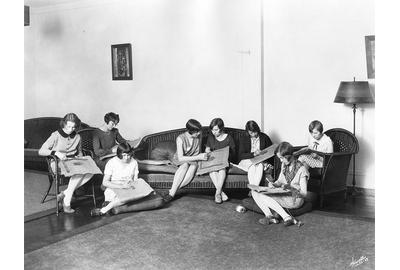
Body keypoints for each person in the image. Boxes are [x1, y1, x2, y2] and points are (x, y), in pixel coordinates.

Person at [39, 113, 94, 214]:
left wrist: (81, 157)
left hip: (72, 162)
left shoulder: (77, 136)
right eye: (68, 126)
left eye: (73, 127)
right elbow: (41, 151)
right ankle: (67, 203)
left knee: (90, 172)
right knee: (78, 173)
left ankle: (64, 194)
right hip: (57, 162)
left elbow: (80, 151)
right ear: (64, 124)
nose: (71, 129)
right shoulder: (55, 135)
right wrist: (56, 152)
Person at [90, 142, 165, 216]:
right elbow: (105, 182)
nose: (126, 158)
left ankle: (106, 209)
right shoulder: (112, 162)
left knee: (141, 185)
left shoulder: (134, 162)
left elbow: (136, 180)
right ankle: (106, 208)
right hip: (115, 186)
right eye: (124, 155)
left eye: (128, 155)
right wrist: (122, 186)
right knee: (119, 197)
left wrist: (138, 187)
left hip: (129, 186)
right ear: (119, 154)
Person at [251, 142, 309, 226]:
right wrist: (273, 184)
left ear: (288, 156)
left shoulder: (302, 169)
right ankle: (270, 216)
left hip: (294, 199)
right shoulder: (284, 165)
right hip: (283, 193)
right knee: (254, 192)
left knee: (262, 196)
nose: (281, 161)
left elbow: (304, 193)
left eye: (282, 158)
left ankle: (285, 217)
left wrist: (289, 187)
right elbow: (279, 181)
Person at [163, 119, 209, 202]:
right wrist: (198, 157)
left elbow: (198, 151)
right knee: (185, 165)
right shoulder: (180, 138)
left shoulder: (199, 136)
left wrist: (204, 152)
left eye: (199, 131)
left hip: (194, 159)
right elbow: (181, 158)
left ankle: (172, 191)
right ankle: (172, 194)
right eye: (197, 132)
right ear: (190, 131)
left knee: (193, 167)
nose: (199, 133)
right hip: (181, 159)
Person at [205, 118, 236, 204]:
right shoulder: (211, 137)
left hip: (224, 162)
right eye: (212, 130)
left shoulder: (229, 138)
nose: (213, 132)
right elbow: (207, 148)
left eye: (216, 130)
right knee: (212, 170)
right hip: (214, 161)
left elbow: (233, 154)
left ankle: (217, 193)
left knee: (222, 169)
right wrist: (208, 151)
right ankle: (220, 193)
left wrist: (226, 154)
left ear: (221, 129)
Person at [238, 120, 273, 185]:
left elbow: (270, 151)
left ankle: (253, 189)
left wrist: (266, 159)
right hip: (247, 161)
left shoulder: (264, 137)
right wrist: (253, 154)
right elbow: (241, 155)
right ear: (247, 132)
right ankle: (255, 189)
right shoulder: (244, 138)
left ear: (258, 129)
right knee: (253, 165)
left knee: (259, 165)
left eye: (255, 132)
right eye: (251, 133)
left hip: (260, 161)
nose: (253, 135)